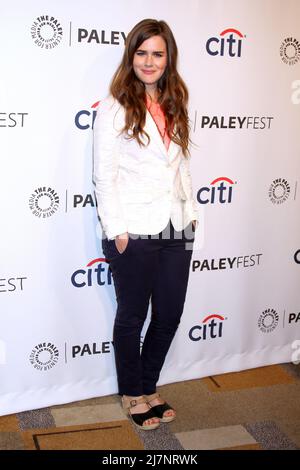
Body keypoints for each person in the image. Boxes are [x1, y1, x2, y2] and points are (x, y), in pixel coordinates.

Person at [93, 18, 199, 431]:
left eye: (157, 53)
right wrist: (117, 228)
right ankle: (132, 393)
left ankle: (150, 385)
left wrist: (190, 214)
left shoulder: (176, 101)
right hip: (134, 229)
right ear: (130, 57)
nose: (149, 61)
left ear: (168, 57)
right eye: (142, 53)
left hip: (176, 226)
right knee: (132, 316)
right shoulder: (114, 106)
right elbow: (105, 174)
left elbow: (182, 164)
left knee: (170, 314)